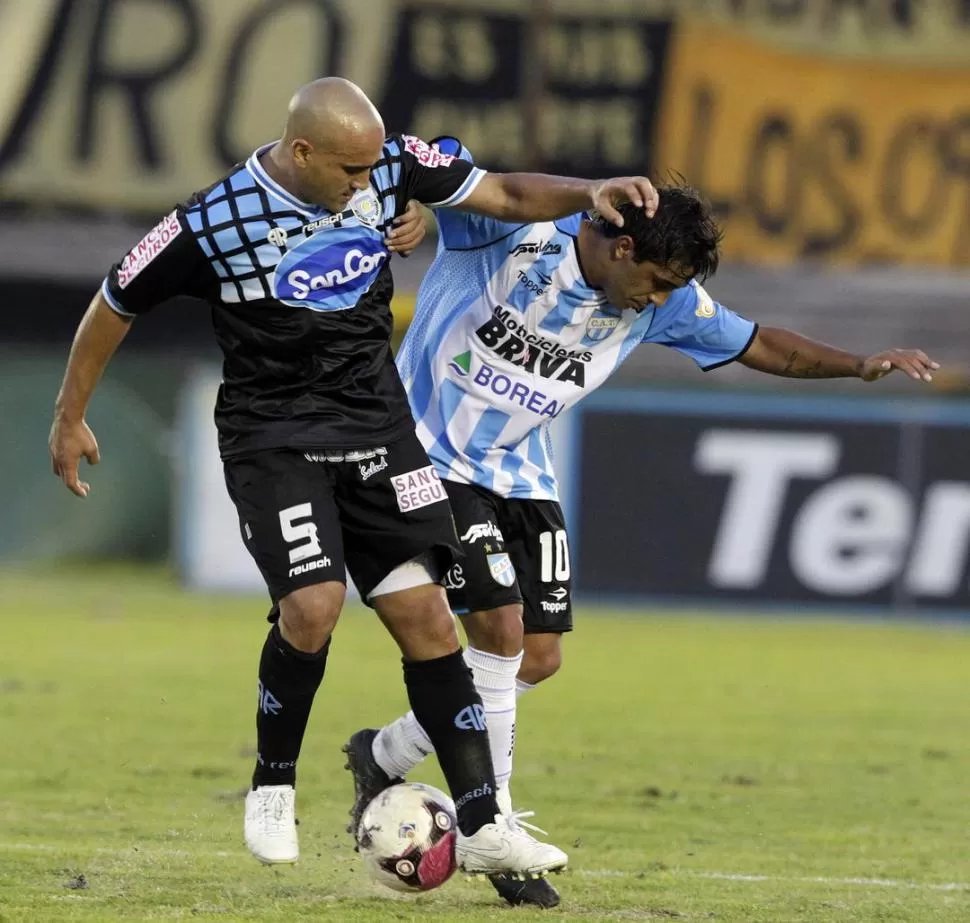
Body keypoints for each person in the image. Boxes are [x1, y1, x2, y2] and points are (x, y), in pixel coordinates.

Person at [47, 79, 660, 878]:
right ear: (302, 152)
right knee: (313, 604)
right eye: (350, 171)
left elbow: (504, 191)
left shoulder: (391, 167)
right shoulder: (210, 222)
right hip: (274, 435)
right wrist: (69, 413)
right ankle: (272, 782)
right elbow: (115, 300)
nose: (368, 185)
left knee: (433, 623)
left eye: (376, 169)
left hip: (376, 428)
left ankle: (482, 821)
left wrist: (590, 191)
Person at [343, 137, 940, 907]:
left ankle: (386, 752)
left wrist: (857, 364)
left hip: (523, 475)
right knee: (496, 626)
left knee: (540, 656)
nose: (659, 301)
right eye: (654, 282)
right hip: (433, 459)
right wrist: (409, 209)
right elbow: (439, 173)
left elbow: (762, 345)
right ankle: (493, 830)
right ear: (621, 246)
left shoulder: (664, 303)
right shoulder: (514, 232)